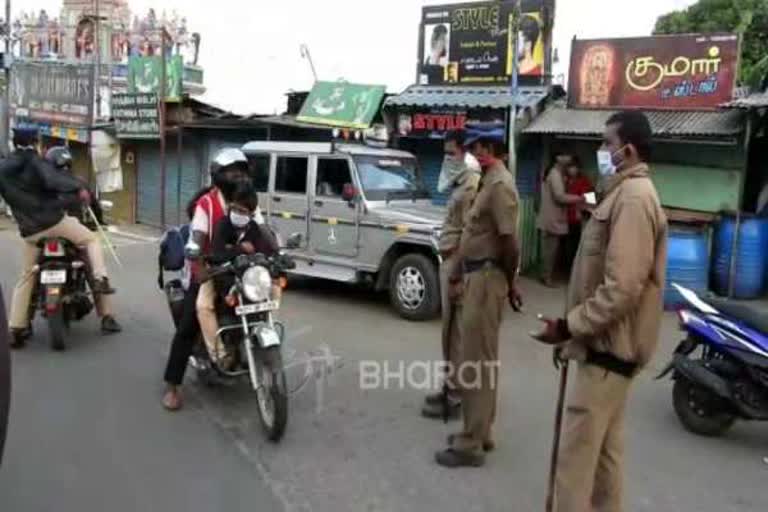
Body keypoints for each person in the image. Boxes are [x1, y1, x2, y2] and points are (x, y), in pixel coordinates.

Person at [533, 111, 668, 512]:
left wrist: (569, 326)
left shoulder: (633, 199)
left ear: (627, 150)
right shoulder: (622, 194)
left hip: (608, 355)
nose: (602, 151)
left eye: (607, 143)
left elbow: (622, 287)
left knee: (575, 467)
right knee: (605, 461)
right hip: (609, 354)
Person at [435, 135, 523, 468]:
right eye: (476, 150)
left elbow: (509, 241)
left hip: (488, 278)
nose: (477, 155)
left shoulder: (500, 185)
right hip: (476, 275)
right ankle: (480, 432)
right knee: (478, 358)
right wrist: (458, 273)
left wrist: (510, 281)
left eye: (482, 150)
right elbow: (473, 235)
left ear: (496, 153)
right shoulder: (488, 182)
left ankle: (471, 442)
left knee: (477, 363)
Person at [0, 128, 119, 348]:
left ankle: (15, 328)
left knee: (26, 276)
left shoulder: (4, 168)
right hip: (54, 222)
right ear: (35, 143)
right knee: (91, 241)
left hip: (30, 231)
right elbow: (53, 181)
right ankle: (102, 283)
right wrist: (78, 189)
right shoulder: (38, 164)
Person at [161, 148, 250, 411]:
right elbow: (198, 235)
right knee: (190, 320)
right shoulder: (206, 204)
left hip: (238, 266)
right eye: (233, 171)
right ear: (218, 175)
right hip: (208, 267)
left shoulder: (248, 199)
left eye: (242, 171)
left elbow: (261, 228)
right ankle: (172, 385)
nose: (238, 176)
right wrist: (197, 258)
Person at [422, 130, 480, 420]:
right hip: (450, 260)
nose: (447, 158)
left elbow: (470, 233)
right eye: (444, 152)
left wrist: (458, 271)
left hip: (457, 264)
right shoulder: (460, 181)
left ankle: (456, 395)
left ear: (464, 153)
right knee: (448, 334)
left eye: (451, 153)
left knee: (456, 334)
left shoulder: (471, 183)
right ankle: (450, 386)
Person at [44, 145, 116, 326]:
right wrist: (99, 221)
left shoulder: (41, 184)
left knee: (28, 273)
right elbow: (95, 207)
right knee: (93, 270)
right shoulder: (79, 183)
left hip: (43, 233)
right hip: (74, 233)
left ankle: (20, 324)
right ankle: (107, 316)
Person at [537, 154, 584, 287]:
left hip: (560, 218)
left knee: (552, 249)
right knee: (551, 250)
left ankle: (547, 276)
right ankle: (546, 277)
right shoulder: (555, 175)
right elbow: (560, 197)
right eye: (566, 156)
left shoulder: (558, 174)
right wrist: (580, 198)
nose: (569, 159)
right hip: (555, 218)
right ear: (558, 158)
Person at [564, 156, 593, 270]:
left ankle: (573, 270)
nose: (572, 170)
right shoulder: (564, 181)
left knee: (575, 246)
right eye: (570, 167)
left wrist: (582, 210)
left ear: (579, 168)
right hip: (564, 219)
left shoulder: (584, 181)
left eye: (574, 167)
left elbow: (590, 200)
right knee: (565, 246)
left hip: (578, 219)